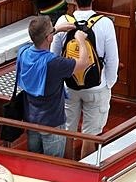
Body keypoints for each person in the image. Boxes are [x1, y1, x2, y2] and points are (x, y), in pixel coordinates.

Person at [51, 0, 118, 159]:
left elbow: (54, 56)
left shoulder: (63, 21)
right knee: (90, 135)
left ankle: (67, 165)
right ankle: (86, 165)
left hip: (69, 85)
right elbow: (112, 59)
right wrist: (108, 84)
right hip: (96, 86)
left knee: (68, 132)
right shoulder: (105, 23)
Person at [17, 15, 89, 157]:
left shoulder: (23, 52)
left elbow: (36, 39)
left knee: (34, 159)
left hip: (31, 121)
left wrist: (56, 30)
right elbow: (83, 63)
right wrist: (81, 40)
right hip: (52, 123)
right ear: (49, 38)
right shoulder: (54, 63)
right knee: (53, 162)